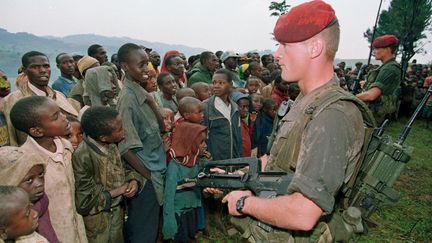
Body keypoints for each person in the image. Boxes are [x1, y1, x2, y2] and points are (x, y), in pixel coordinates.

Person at [219, 1, 373, 241]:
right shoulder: (306, 101)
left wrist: (244, 203)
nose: (277, 54)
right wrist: (230, 177)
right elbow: (278, 162)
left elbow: (304, 213)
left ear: (315, 48)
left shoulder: (332, 116)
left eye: (285, 46)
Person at [9, 96, 88, 242]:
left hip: (78, 229)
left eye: (61, 113)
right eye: (56, 117)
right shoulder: (25, 163)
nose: (64, 118)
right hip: (52, 234)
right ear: (37, 131)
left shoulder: (67, 147)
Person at [116, 43, 166, 243]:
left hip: (155, 169)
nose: (147, 69)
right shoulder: (127, 100)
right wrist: (148, 176)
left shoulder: (141, 92)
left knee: (152, 227)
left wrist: (151, 101)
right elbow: (124, 147)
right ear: (126, 67)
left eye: (147, 64)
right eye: (141, 65)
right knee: (143, 232)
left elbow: (161, 127)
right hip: (147, 176)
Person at [73, 106, 140, 243]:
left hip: (116, 216)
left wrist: (133, 181)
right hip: (98, 225)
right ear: (103, 137)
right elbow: (84, 203)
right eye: (120, 129)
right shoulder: (83, 156)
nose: (124, 131)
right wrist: (118, 191)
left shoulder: (112, 145)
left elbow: (124, 169)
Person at [2, 51, 80, 146]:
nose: (43, 70)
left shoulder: (59, 96)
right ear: (25, 71)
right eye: (35, 67)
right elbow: (11, 137)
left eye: (46, 66)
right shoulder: (12, 100)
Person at [0, 147, 59, 243]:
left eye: (41, 174)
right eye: (29, 180)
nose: (39, 183)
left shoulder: (41, 199)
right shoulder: (10, 218)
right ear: (10, 182)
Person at [162, 122, 209, 242]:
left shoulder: (195, 161)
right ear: (190, 143)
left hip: (191, 208)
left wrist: (208, 160)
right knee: (181, 237)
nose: (205, 146)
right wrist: (169, 220)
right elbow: (168, 196)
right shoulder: (175, 166)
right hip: (178, 213)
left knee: (190, 235)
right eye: (201, 142)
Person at [356, 34, 402, 124]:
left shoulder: (389, 68)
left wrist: (351, 98)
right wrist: (366, 84)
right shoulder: (386, 66)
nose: (374, 52)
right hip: (372, 112)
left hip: (373, 115)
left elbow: (372, 95)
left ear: (388, 49)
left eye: (377, 48)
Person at [203, 68, 241, 160]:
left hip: (233, 159)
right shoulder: (206, 107)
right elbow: (202, 136)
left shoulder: (235, 107)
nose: (216, 86)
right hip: (215, 160)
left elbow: (237, 135)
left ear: (230, 85)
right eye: (214, 82)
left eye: (221, 83)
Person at [232, 92, 251, 157]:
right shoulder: (232, 124)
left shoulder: (242, 122)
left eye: (247, 107)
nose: (246, 110)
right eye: (243, 107)